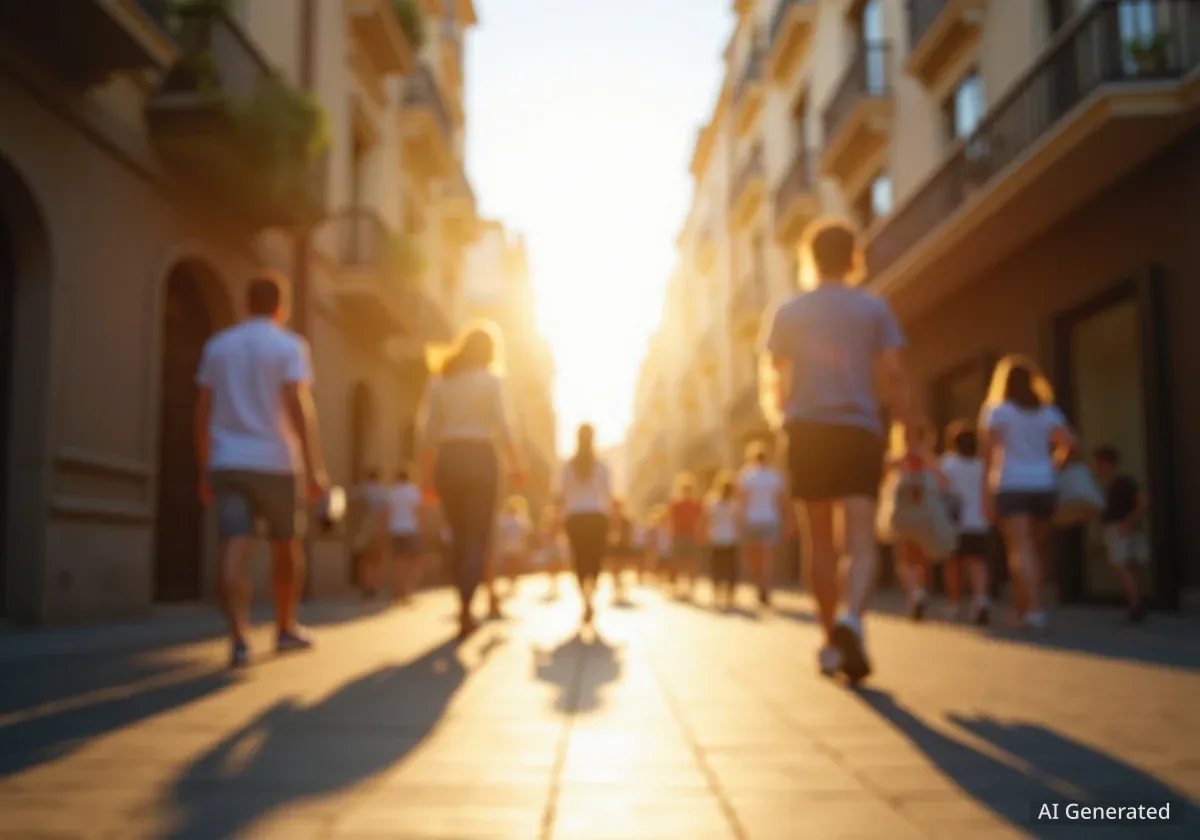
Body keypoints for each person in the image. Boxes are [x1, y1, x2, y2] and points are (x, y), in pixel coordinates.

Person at [761, 218, 915, 683]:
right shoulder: (873, 309)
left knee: (820, 543)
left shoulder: (789, 312)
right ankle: (853, 621)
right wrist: (908, 434)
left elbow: (775, 380)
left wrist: (785, 417)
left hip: (807, 432)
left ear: (810, 257)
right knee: (862, 538)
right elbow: (894, 375)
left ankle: (830, 639)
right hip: (858, 430)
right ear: (853, 257)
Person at [195, 271, 328, 668]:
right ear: (281, 308)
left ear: (244, 304)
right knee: (286, 547)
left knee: (233, 546)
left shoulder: (219, 346)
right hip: (276, 463)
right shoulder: (289, 346)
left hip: (228, 461)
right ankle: (285, 628)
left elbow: (202, 408)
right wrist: (314, 465)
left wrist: (205, 466)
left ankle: (238, 637)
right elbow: (296, 404)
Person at [419, 321, 524, 638]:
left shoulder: (440, 381)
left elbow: (427, 432)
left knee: (458, 535)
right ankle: (466, 606)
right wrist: (518, 464)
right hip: (481, 458)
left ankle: (462, 603)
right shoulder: (491, 380)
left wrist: (427, 478)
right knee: (477, 537)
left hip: (449, 460)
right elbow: (505, 426)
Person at [979, 354, 1076, 633]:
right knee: (1035, 551)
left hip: (1011, 485)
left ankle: (1033, 610)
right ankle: (1021, 610)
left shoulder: (997, 412)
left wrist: (985, 494)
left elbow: (989, 456)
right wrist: (1053, 466)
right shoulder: (1048, 412)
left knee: (1020, 550)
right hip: (1044, 485)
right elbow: (1070, 442)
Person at [882, 420, 946, 622]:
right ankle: (920, 590)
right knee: (922, 557)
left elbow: (883, 483)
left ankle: (914, 593)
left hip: (902, 514)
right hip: (925, 515)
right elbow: (943, 483)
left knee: (904, 557)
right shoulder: (928, 459)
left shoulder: (895, 459)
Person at [556, 423, 612, 627]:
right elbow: (608, 496)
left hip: (576, 518)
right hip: (597, 517)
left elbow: (561, 497)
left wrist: (558, 521)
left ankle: (585, 600)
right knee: (596, 560)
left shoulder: (568, 467)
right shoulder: (602, 467)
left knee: (579, 560)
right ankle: (591, 597)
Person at [940, 421, 992, 625]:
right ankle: (981, 600)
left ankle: (955, 604)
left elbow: (941, 488)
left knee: (953, 564)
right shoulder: (982, 465)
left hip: (954, 521)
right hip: (978, 521)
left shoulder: (948, 463)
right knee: (978, 563)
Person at [1093, 445, 1150, 624]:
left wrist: (1128, 521)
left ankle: (1136, 605)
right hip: (1116, 527)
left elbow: (1143, 501)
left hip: (1120, 528)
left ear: (1106, 463)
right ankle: (1134, 602)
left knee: (1120, 566)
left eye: (1099, 463)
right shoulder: (1106, 484)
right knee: (1126, 567)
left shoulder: (1123, 482)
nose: (1097, 467)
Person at [737, 442, 787, 607]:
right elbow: (781, 501)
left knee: (754, 558)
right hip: (771, 519)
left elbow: (742, 502)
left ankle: (759, 588)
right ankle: (767, 589)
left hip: (752, 520)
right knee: (769, 558)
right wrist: (787, 521)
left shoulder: (746, 476)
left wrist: (740, 522)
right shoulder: (775, 476)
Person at [386, 467, 425, 603]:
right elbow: (418, 511)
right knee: (414, 562)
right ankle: (407, 590)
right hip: (410, 529)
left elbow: (387, 513)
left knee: (399, 562)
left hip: (395, 530)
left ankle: (399, 590)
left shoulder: (392, 492)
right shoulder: (413, 491)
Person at [350, 468, 389, 598]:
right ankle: (374, 586)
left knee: (364, 559)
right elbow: (385, 512)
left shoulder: (360, 490)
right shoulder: (383, 492)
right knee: (376, 560)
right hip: (377, 529)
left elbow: (352, 506)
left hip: (362, 529)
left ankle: (364, 585)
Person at [706, 471, 742, 611]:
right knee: (731, 567)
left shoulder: (712, 502)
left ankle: (716, 593)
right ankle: (729, 595)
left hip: (716, 538)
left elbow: (708, 519)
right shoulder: (735, 504)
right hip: (730, 538)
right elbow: (738, 522)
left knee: (717, 566)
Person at [668, 473, 705, 600]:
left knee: (691, 563)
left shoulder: (697, 505)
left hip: (691, 535)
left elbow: (701, 521)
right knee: (677, 563)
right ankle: (675, 588)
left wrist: (701, 535)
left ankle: (691, 589)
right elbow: (670, 521)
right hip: (678, 535)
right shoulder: (675, 504)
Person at [495, 495, 532, 601]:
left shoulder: (505, 519)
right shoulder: (518, 519)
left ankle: (512, 583)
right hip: (516, 547)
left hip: (509, 547)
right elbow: (525, 533)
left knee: (511, 565)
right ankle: (512, 583)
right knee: (514, 566)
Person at [538, 507, 568, 599]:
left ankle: (554, 586)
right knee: (552, 570)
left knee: (553, 570)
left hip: (553, 552)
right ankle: (553, 585)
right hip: (551, 552)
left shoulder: (555, 529)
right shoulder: (547, 529)